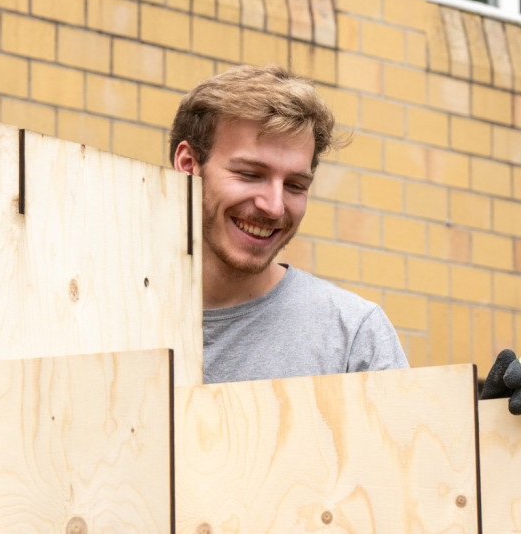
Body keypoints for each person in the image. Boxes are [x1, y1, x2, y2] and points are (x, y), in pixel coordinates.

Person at [169, 64, 409, 384]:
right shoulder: (108, 307)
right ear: (188, 166)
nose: (274, 207)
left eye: (295, 185)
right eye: (250, 174)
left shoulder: (353, 337)